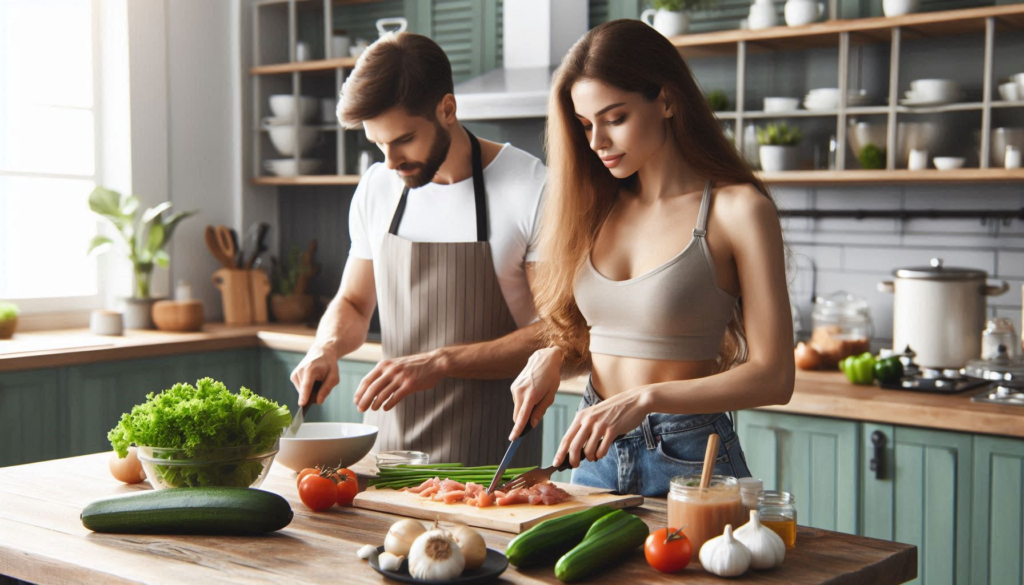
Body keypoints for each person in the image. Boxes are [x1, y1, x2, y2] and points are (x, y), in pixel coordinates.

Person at [507, 19, 795, 497]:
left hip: (689, 459)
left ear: (665, 100)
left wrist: (644, 400)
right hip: (592, 451)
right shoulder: (592, 208)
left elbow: (774, 377)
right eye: (585, 125)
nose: (597, 142)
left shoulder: (738, 210)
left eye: (614, 118)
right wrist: (553, 354)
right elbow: (615, 333)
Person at [290, 32, 547, 467]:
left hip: (493, 457)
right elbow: (354, 302)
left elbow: (557, 332)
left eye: (403, 139)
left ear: (447, 109)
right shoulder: (377, 186)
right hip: (391, 456)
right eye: (378, 144)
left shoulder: (531, 187)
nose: (390, 161)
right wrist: (326, 347)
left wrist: (442, 362)